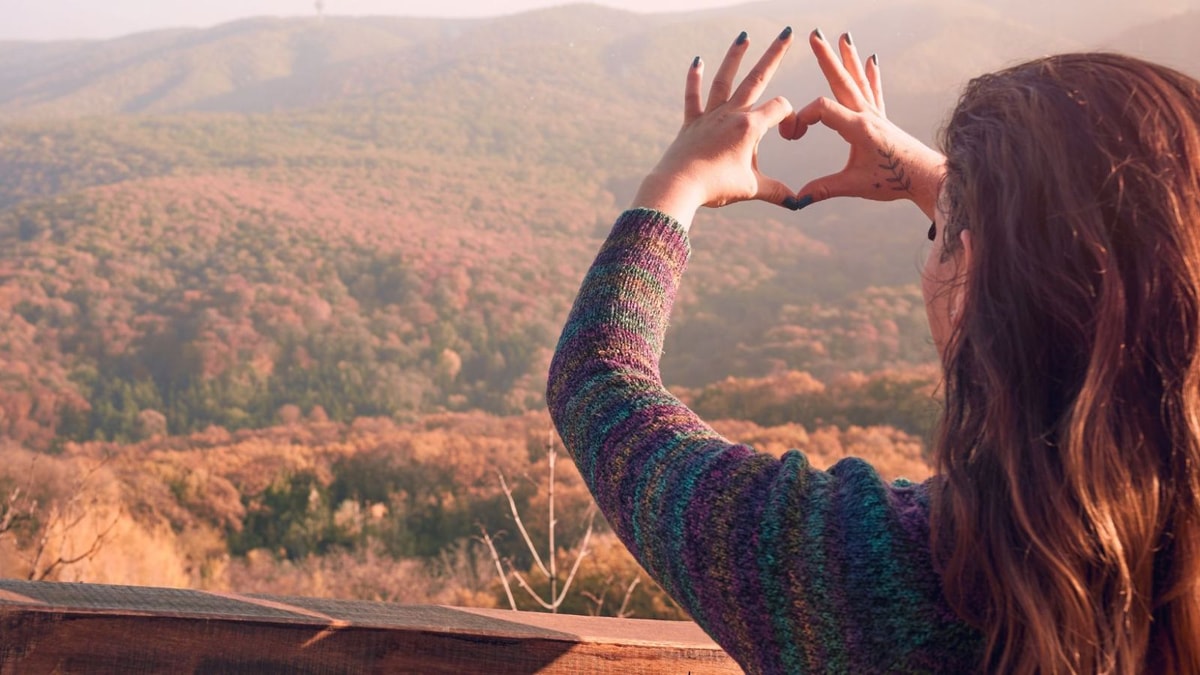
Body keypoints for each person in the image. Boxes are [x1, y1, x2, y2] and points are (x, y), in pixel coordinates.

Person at [547, 25, 1200, 674]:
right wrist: (957, 195)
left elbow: (595, 374)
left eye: (940, 233)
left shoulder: (862, 574)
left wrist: (675, 183)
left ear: (970, 282)